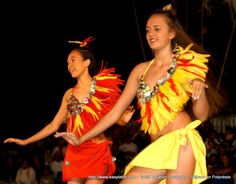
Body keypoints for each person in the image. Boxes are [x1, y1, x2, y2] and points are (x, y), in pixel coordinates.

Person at [55, 4, 226, 184]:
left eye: (157, 29)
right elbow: (114, 114)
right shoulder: (140, 71)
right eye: (147, 30)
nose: (150, 33)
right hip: (156, 148)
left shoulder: (186, 63)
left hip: (182, 142)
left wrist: (199, 91)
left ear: (172, 34)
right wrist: (81, 138)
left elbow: (202, 115)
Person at [4, 36, 135, 184]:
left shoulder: (103, 87)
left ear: (87, 62)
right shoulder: (69, 94)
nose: (69, 65)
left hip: (96, 149)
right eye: (67, 62)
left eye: (73, 60)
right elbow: (54, 125)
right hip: (75, 151)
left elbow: (113, 116)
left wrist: (122, 121)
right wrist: (26, 141)